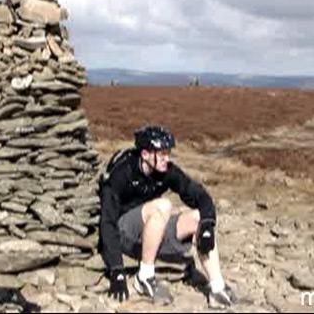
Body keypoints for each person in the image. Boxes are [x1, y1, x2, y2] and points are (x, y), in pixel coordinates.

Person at [97, 125, 237, 307]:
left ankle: (217, 288)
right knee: (163, 205)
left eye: (168, 153)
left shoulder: (166, 172)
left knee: (197, 218)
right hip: (124, 232)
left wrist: (208, 225)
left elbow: (200, 195)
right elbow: (108, 221)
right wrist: (117, 270)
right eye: (161, 154)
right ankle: (145, 277)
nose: (166, 158)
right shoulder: (122, 174)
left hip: (151, 229)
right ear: (145, 154)